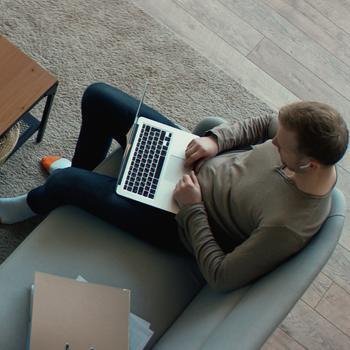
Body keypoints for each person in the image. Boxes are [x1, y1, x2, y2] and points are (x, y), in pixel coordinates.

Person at [0, 83, 348, 292]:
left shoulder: (288, 225)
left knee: (66, 183)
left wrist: (192, 207)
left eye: (280, 145)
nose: (272, 141)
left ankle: (30, 205)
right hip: (190, 157)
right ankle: (81, 175)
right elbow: (264, 123)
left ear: (310, 164)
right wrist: (214, 140)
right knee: (98, 97)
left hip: (178, 219)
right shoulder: (296, 141)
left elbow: (222, 275)